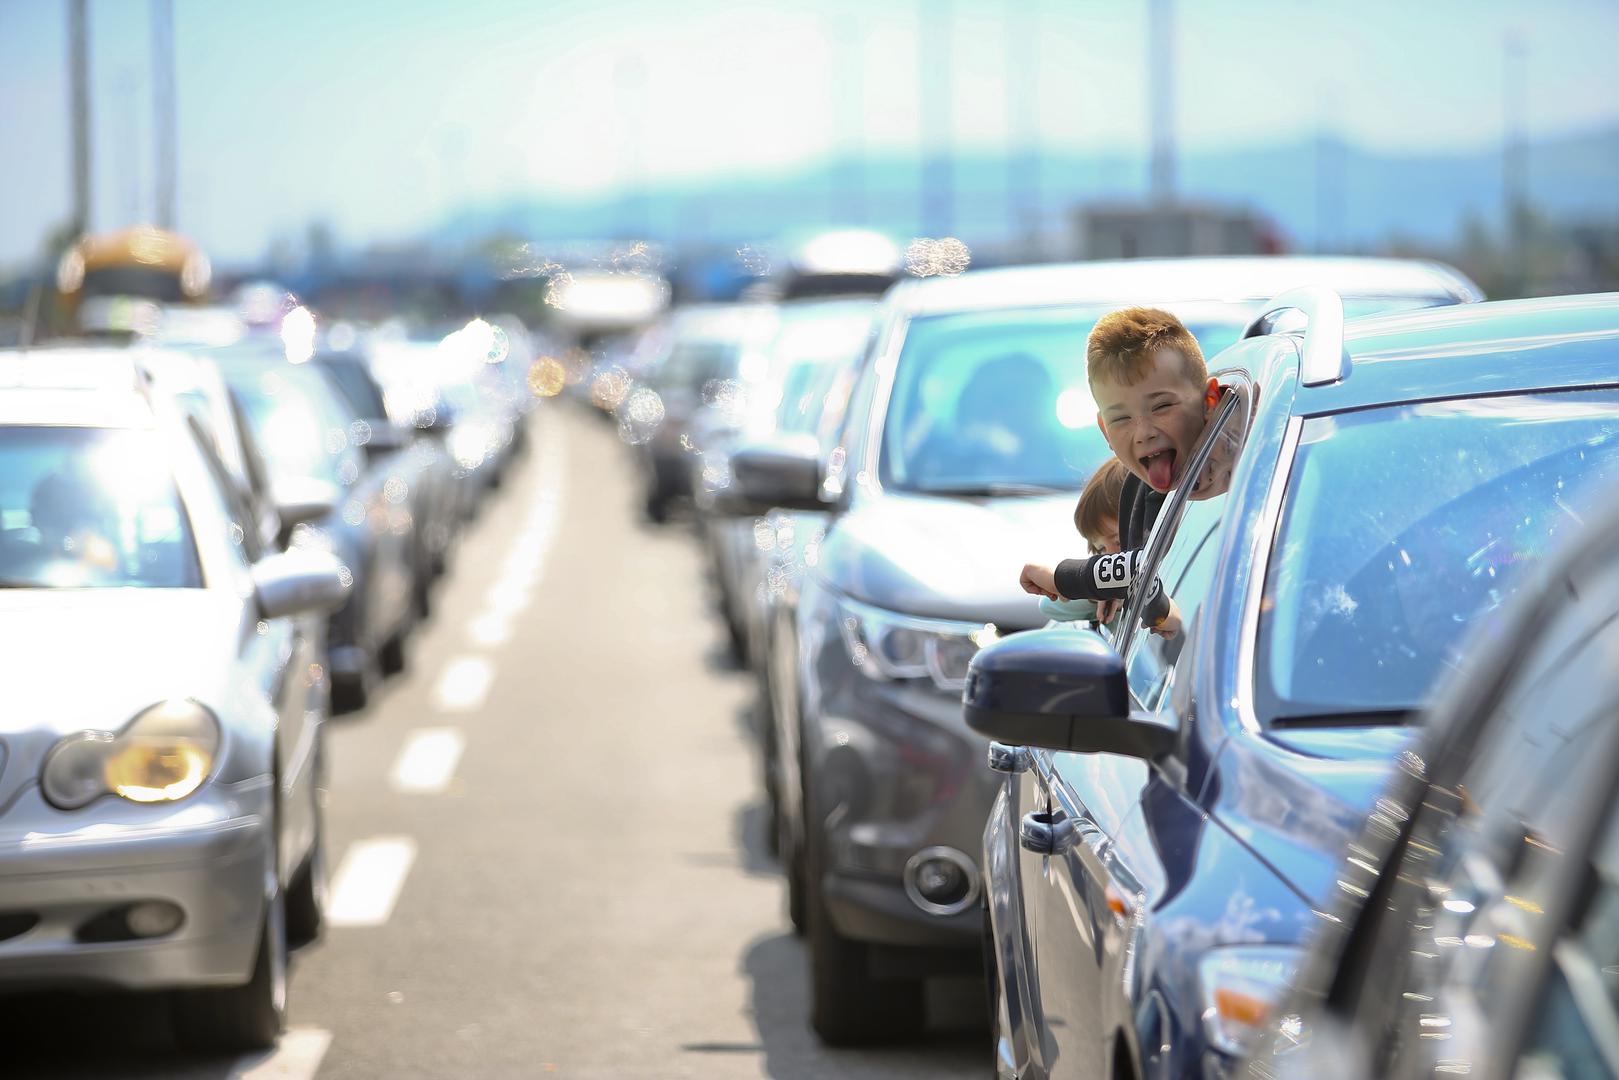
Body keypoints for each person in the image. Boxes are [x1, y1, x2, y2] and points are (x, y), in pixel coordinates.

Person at [1020, 307, 1226, 635]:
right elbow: (1141, 571)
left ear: (1210, 399)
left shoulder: (1257, 467)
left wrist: (1060, 577)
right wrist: (1132, 596)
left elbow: (1140, 573)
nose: (1143, 432)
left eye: (1162, 406)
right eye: (1120, 418)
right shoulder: (1139, 495)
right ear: (1104, 431)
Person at [1040, 458, 1125, 626]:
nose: (1107, 558)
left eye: (1119, 541)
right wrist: (1098, 591)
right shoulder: (1111, 601)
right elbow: (1050, 606)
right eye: (1101, 549)